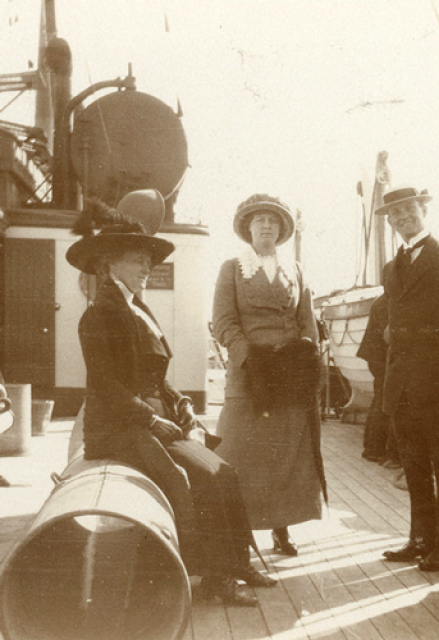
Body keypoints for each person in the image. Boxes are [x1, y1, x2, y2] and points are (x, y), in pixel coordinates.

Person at [67, 192, 275, 608]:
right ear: (109, 264)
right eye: (137, 258)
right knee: (190, 479)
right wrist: (150, 418)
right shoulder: (99, 314)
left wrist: (181, 405)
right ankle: (213, 577)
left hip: (150, 419)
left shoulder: (138, 309)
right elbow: (106, 385)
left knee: (223, 470)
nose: (147, 265)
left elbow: (155, 377)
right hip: (118, 427)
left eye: (148, 259)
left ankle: (236, 562)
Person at [212, 193, 326, 557]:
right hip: (250, 374)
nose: (266, 226)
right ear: (248, 228)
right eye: (259, 220)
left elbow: (306, 321)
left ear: (281, 231)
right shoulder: (232, 267)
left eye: (273, 221)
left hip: (289, 374)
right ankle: (238, 535)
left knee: (284, 454)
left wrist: (303, 352)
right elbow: (224, 323)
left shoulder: (295, 269)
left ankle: (281, 528)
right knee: (240, 452)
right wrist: (250, 359)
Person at [376, 185, 439, 571]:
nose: (403, 218)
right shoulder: (391, 268)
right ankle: (420, 539)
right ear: (391, 222)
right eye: (395, 214)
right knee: (415, 468)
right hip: (402, 387)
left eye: (409, 210)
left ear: (423, 210)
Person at [356, 292, 399, 467]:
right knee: (384, 401)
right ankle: (376, 450)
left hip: (375, 355)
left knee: (379, 400)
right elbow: (388, 335)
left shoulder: (381, 300)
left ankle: (372, 449)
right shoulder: (387, 302)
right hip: (381, 357)